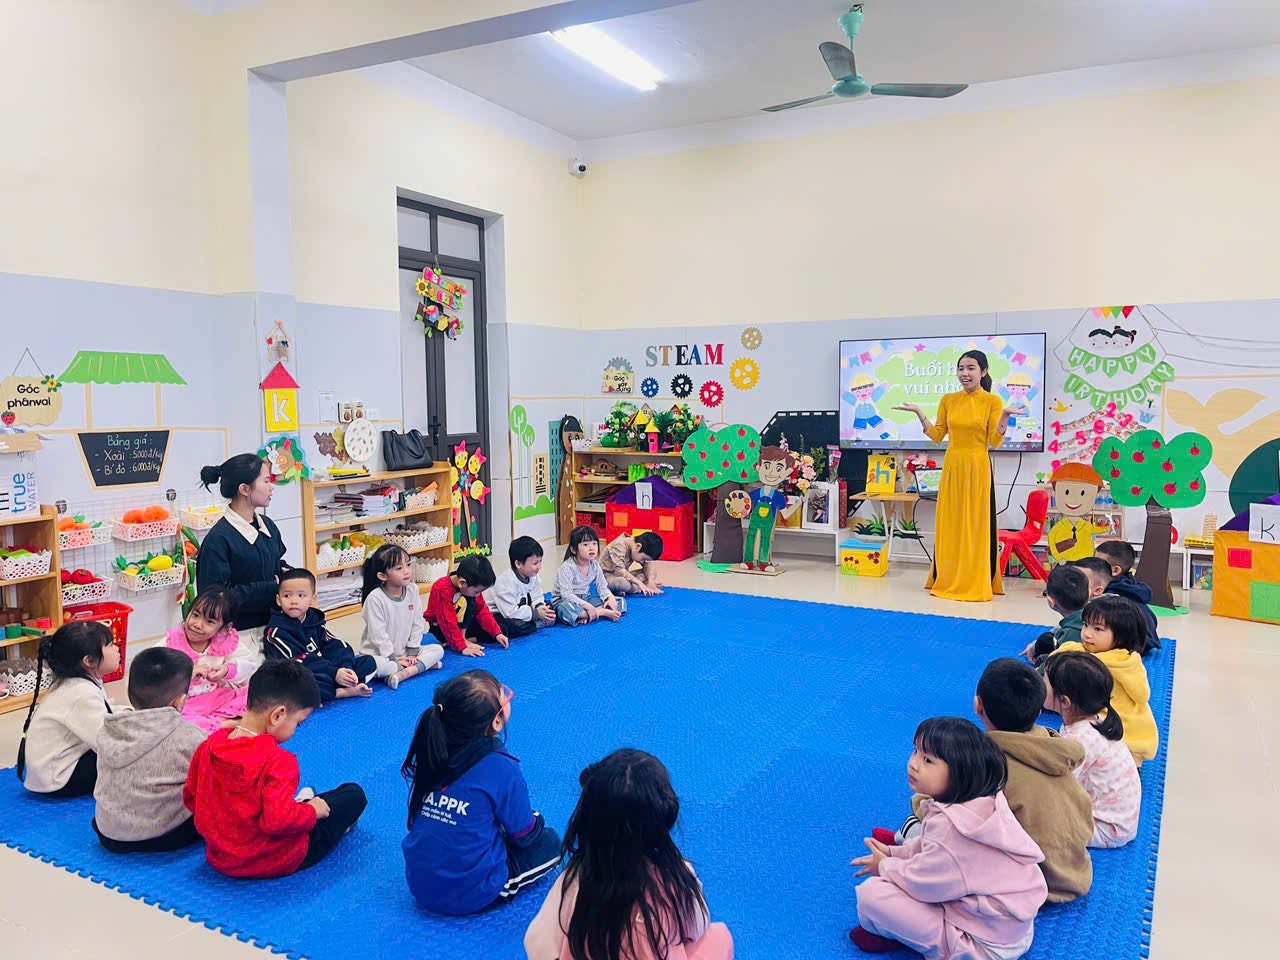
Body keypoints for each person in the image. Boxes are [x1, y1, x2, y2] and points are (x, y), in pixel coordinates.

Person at [849, 717, 1046, 959]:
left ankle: (939, 946)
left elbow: (924, 884)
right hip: (1009, 930)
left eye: (928, 760)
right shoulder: (980, 801)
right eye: (915, 751)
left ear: (959, 773)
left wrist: (884, 866)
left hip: (984, 946)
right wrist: (894, 853)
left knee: (871, 896)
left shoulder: (951, 831)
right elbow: (930, 847)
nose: (913, 764)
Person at [525, 749, 733, 960]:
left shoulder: (575, 880)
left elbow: (535, 942)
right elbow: (698, 925)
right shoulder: (674, 879)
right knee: (718, 938)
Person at [183, 659, 368, 879]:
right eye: (298, 723)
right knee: (352, 795)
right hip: (274, 859)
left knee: (297, 804)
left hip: (220, 856)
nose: (296, 729)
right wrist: (311, 811)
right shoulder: (278, 762)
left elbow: (191, 798)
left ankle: (300, 803)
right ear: (278, 715)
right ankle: (306, 805)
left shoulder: (208, 746)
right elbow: (278, 822)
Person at [402, 670, 561, 915]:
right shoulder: (502, 767)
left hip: (418, 883)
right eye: (504, 695)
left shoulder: (432, 750)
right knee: (551, 842)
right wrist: (536, 820)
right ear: (496, 722)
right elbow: (525, 834)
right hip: (471, 893)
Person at [895, 351, 1018, 602]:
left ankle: (974, 579)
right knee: (950, 523)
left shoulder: (992, 401)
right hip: (952, 466)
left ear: (983, 371)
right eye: (961, 368)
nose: (965, 373)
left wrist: (1005, 416)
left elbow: (995, 440)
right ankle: (947, 576)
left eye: (971, 368)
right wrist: (918, 412)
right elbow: (937, 435)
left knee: (975, 523)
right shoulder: (949, 399)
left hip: (977, 467)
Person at [975, 658, 1093, 903]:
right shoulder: (1054, 747)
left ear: (978, 705)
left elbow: (948, 807)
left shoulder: (986, 761)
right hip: (1076, 871)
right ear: (1040, 711)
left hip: (1034, 884)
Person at [93, 647, 207, 853]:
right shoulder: (190, 736)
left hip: (107, 832)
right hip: (159, 835)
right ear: (180, 701)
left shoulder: (109, 728)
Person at [197, 454, 289, 670]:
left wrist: (292, 579)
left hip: (275, 626)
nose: (271, 487)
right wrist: (271, 588)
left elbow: (278, 563)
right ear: (245, 489)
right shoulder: (218, 540)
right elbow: (215, 599)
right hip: (239, 636)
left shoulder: (268, 525)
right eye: (266, 481)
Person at [1044, 653, 1141, 848]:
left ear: (1065, 702)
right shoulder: (1095, 721)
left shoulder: (1079, 741)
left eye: (1044, 682)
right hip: (1120, 820)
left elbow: (1056, 785)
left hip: (1107, 829)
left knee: (1037, 820)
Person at [1051, 595, 1158, 765]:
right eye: (1085, 625)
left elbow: (1141, 695)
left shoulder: (1125, 663)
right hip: (1092, 721)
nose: (1087, 633)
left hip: (1124, 736)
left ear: (1122, 636)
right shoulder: (1079, 651)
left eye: (1098, 629)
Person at [16, 622, 120, 797]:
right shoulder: (81, 693)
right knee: (127, 756)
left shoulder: (76, 682)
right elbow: (106, 741)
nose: (116, 649)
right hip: (58, 777)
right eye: (110, 645)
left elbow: (104, 711)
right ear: (89, 661)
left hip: (50, 770)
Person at [264, 568, 377, 701]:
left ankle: (344, 683)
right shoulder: (276, 631)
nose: (294, 601)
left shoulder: (314, 620)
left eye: (301, 595)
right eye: (287, 596)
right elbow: (297, 661)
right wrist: (333, 673)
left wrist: (345, 668)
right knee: (301, 684)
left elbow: (334, 644)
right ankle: (341, 692)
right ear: (279, 600)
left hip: (325, 670)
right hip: (296, 674)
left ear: (313, 599)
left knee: (368, 662)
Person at [166, 587, 252, 732]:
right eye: (195, 615)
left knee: (257, 692)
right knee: (174, 719)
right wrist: (187, 675)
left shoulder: (224, 640)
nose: (197, 624)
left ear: (224, 628)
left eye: (210, 621)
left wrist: (227, 670)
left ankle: (218, 720)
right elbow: (153, 677)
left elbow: (248, 665)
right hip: (185, 705)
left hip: (216, 697)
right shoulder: (171, 642)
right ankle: (225, 724)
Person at [359, 544, 444, 689]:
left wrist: (412, 652)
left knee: (438, 649)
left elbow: (417, 622)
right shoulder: (375, 598)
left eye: (408, 564)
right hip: (381, 655)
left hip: (406, 652)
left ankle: (403, 673)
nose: (407, 571)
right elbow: (378, 635)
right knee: (373, 665)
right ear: (382, 576)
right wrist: (393, 659)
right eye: (399, 568)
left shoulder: (412, 589)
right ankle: (419, 667)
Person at [426, 554, 509, 656]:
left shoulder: (469, 587)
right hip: (441, 628)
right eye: (476, 592)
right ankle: (460, 640)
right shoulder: (441, 588)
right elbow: (447, 621)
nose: (478, 595)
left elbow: (482, 610)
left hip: (462, 623)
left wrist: (497, 633)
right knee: (469, 600)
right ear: (462, 583)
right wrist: (462, 647)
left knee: (502, 631)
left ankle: (466, 639)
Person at [1094, 540, 1161, 652]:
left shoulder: (1111, 593)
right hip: (1148, 640)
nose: (1092, 566)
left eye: (1098, 564)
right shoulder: (1130, 584)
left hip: (1134, 645)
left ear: (1115, 570)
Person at [554, 526, 626, 626]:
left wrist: (609, 597)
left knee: (620, 601)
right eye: (586, 544)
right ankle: (600, 612)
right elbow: (566, 595)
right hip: (564, 600)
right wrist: (587, 606)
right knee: (566, 609)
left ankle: (587, 615)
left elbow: (602, 586)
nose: (592, 548)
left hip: (586, 597)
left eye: (594, 543)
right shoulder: (567, 567)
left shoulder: (594, 564)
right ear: (574, 549)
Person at [491, 536, 557, 639]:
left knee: (550, 605)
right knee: (513, 626)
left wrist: (540, 607)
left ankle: (537, 620)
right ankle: (535, 625)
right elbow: (510, 613)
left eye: (540, 561)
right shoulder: (505, 584)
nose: (539, 567)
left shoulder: (532, 575)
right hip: (500, 613)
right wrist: (536, 614)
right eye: (535, 563)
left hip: (523, 608)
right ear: (518, 563)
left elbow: (537, 595)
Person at [1022, 565, 1088, 664]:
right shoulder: (1094, 613)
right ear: (1089, 593)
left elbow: (1064, 665)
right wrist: (1034, 645)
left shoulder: (1069, 634)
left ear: (1051, 601)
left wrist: (1039, 668)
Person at [600, 531, 664, 597]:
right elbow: (619, 570)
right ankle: (638, 587)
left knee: (652, 572)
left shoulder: (634, 545)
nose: (643, 562)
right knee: (621, 583)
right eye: (643, 559)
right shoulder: (619, 545)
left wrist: (651, 583)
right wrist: (640, 584)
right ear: (638, 547)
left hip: (623, 576)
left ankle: (634, 587)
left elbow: (647, 565)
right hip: (607, 577)